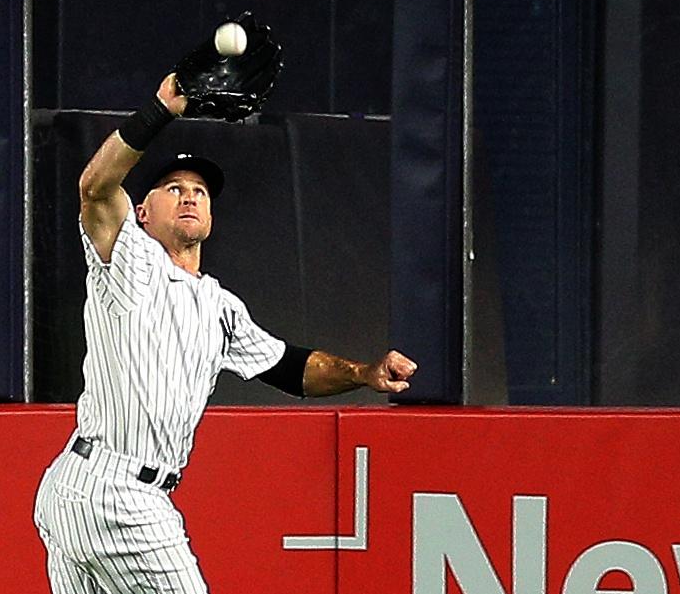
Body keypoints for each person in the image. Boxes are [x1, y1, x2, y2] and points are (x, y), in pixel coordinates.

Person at [32, 73, 418, 594]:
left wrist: (365, 373)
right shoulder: (130, 259)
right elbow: (95, 187)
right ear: (143, 212)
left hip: (81, 493)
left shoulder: (219, 308)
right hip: (117, 494)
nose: (189, 197)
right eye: (173, 188)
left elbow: (291, 368)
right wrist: (160, 110)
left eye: (199, 192)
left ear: (211, 214)